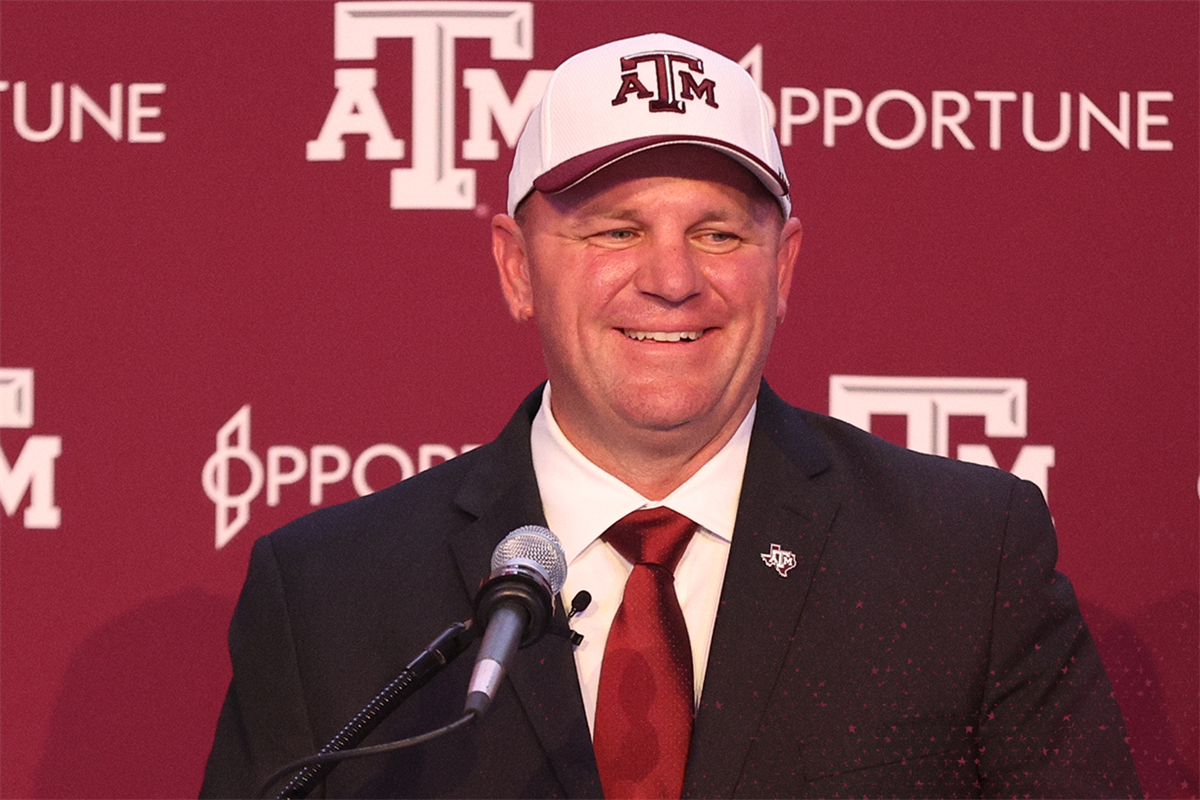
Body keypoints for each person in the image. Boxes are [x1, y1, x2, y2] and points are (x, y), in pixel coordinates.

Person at [201, 33, 1140, 799]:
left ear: (785, 268)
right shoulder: (328, 594)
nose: (673, 278)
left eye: (719, 232)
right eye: (616, 230)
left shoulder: (963, 560)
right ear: (516, 267)